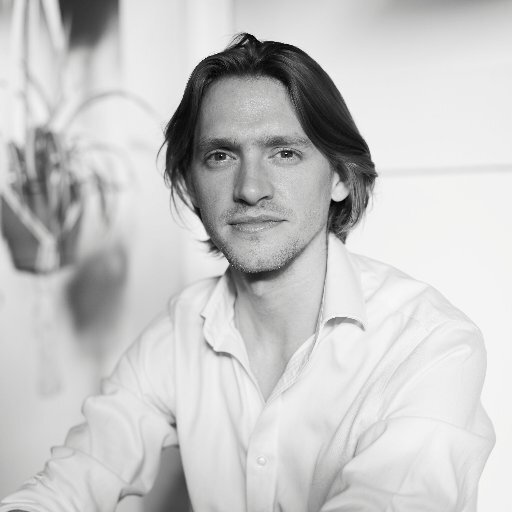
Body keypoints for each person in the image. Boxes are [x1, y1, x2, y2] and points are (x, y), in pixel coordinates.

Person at [0, 33, 494, 512]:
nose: (251, 189)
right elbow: (78, 475)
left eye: (284, 153)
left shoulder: (429, 344)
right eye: (221, 156)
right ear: (190, 185)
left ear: (341, 177)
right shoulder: (178, 333)